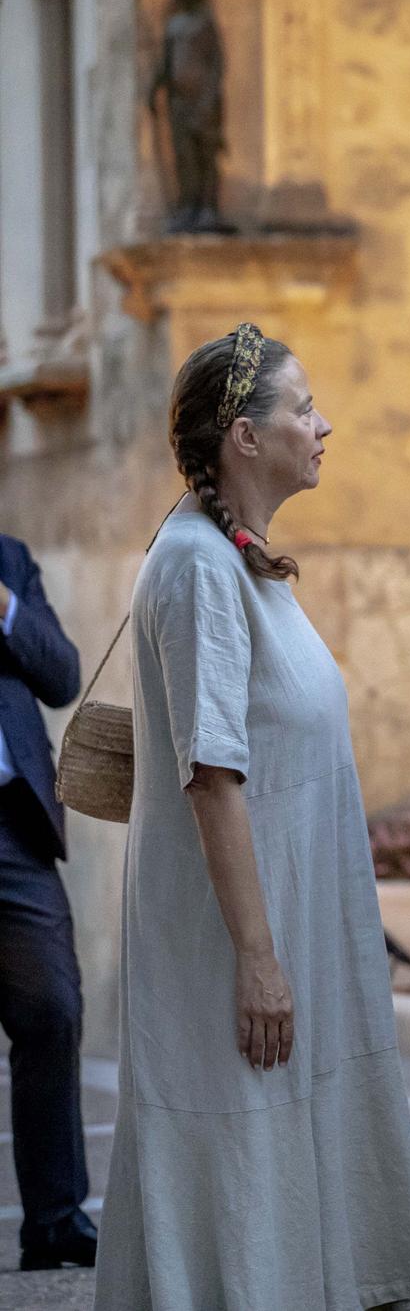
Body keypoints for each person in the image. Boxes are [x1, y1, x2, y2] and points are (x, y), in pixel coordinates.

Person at [95, 324, 410, 1309]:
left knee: (272, 1143)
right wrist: (258, 958)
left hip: (285, 931)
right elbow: (211, 776)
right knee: (237, 1146)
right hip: (230, 954)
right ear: (242, 437)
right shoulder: (197, 569)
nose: (323, 423)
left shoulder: (234, 556)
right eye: (302, 408)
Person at [0, 533, 93, 1272]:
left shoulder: (8, 558)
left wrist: (4, 607)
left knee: (53, 1007)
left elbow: (62, 675)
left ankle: (56, 1220)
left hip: (12, 827)